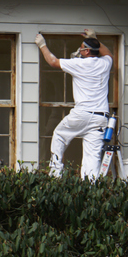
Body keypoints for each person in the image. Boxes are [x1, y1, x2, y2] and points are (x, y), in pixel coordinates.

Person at [35, 29, 113, 180]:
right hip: (100, 119)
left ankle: (55, 174)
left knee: (59, 136)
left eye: (82, 47)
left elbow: (53, 61)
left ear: (87, 51)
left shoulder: (79, 64)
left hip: (82, 114)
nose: (79, 50)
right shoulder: (105, 63)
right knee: (92, 158)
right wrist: (95, 38)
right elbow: (108, 53)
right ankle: (90, 189)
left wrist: (42, 45)